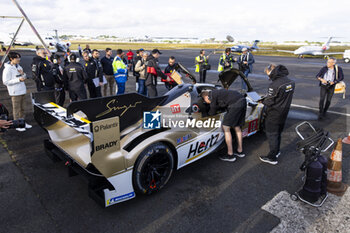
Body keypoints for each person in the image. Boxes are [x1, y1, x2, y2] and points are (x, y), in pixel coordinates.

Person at [259, 64, 295, 165]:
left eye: (268, 74)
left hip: (274, 113)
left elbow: (270, 101)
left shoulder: (275, 85)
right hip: (284, 111)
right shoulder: (290, 81)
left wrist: (262, 101)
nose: (268, 76)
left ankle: (272, 157)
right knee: (278, 132)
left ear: (272, 72)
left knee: (272, 134)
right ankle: (277, 151)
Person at [201, 89, 246, 161]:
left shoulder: (212, 96)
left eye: (204, 100)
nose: (206, 102)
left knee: (225, 127)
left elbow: (212, 112)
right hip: (242, 101)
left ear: (206, 97)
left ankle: (230, 154)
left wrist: (206, 115)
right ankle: (240, 151)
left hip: (235, 104)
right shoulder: (216, 92)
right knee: (237, 127)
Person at [2, 52, 32, 132]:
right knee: (16, 109)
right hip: (15, 92)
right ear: (11, 59)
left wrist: (23, 74)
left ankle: (22, 123)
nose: (19, 59)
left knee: (22, 109)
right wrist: (18, 80)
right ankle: (17, 124)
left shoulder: (19, 66)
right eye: (17, 58)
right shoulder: (7, 69)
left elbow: (24, 76)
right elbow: (5, 81)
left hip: (22, 90)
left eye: (19, 57)